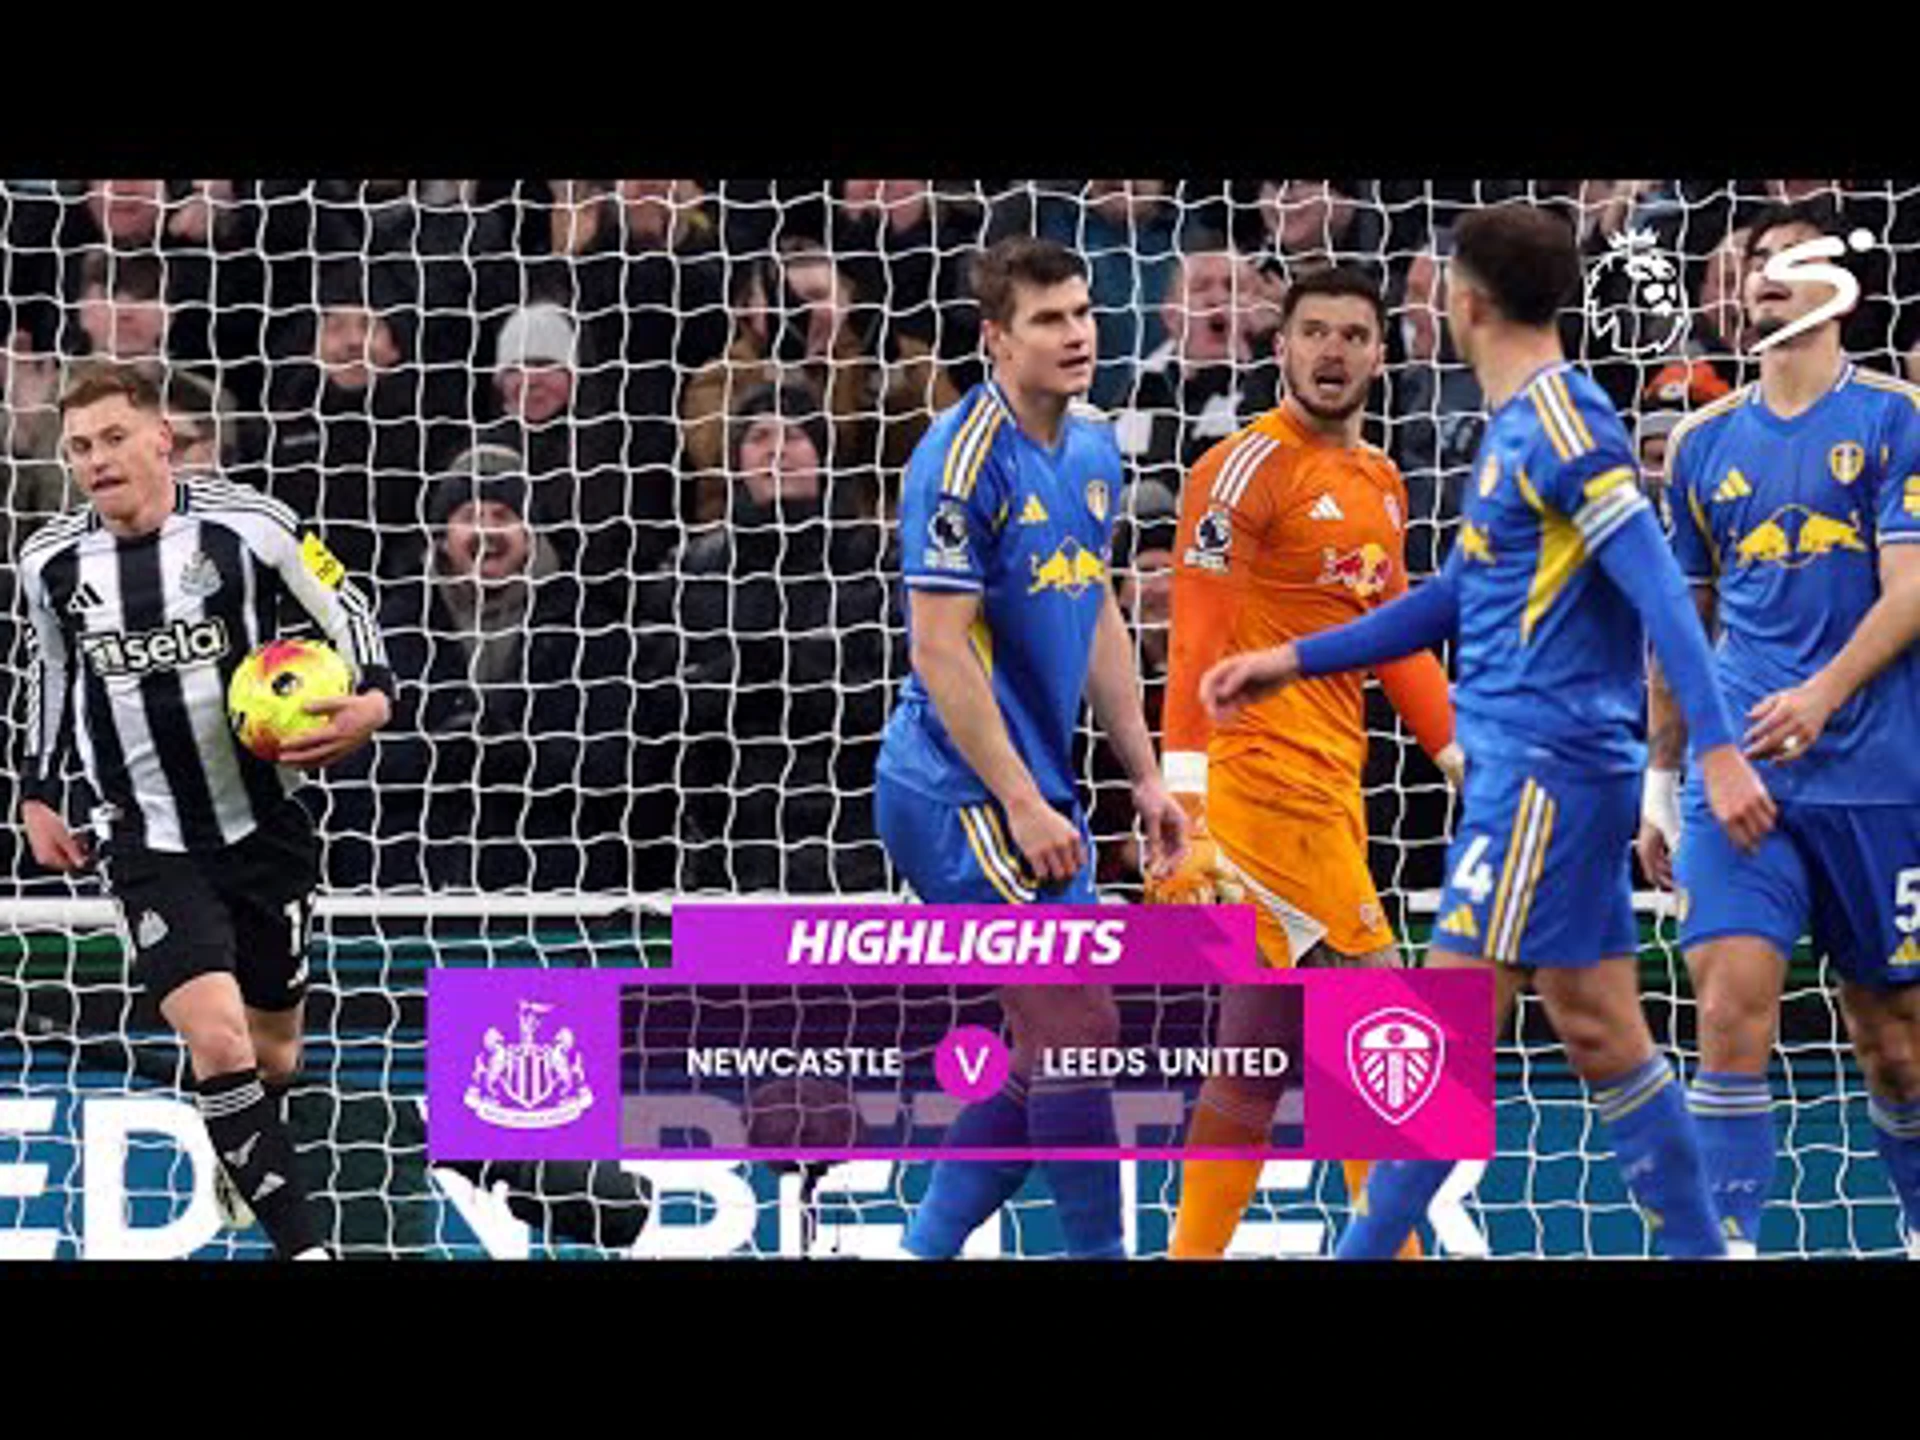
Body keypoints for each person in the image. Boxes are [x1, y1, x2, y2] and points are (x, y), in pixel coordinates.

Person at [1201, 204, 1775, 1259]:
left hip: (1545, 773)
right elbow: (1454, 595)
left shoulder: (1563, 425)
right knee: (1605, 1035)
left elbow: (1659, 586)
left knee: (1432, 1044)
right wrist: (1292, 659)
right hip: (1545, 772)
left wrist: (1719, 749)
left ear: (1464, 302)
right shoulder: (1516, 425)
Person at [16, 359, 394, 1260]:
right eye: (79, 447)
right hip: (144, 835)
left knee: (273, 1056)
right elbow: (49, 675)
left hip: (265, 825)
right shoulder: (50, 560)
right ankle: (306, 1249)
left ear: (163, 439)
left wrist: (374, 700)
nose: (97, 460)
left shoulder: (251, 526)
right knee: (220, 1045)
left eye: (114, 438)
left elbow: (345, 608)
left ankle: (245, 1140)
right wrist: (35, 789)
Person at [875, 236, 1188, 1259]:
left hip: (1034, 787)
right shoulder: (961, 459)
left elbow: (1096, 611)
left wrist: (1146, 775)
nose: (1077, 334)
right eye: (1049, 319)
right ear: (996, 339)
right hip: (955, 788)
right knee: (1080, 1031)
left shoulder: (1095, 446)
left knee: (1045, 1044)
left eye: (1083, 312)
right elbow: (937, 649)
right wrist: (1017, 799)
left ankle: (922, 1248)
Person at [1148, 265, 1461, 1260]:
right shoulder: (1238, 469)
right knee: (1381, 1039)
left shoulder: (1381, 481)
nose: (1333, 352)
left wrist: (1457, 753)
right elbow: (1193, 644)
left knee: (1254, 1060)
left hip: (1330, 793)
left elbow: (1394, 634)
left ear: (1382, 354)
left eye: (1354, 335)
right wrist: (1187, 807)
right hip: (1259, 792)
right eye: (1314, 332)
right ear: (1278, 347)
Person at [1636, 199, 1920, 1257]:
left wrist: (1822, 695)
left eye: (1793, 256)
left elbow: (1913, 588)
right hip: (1744, 782)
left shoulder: (1896, 418)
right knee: (1727, 1016)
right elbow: (1683, 625)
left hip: (1878, 776)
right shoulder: (1700, 441)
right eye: (1755, 256)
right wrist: (1660, 783)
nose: (1764, 272)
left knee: (1895, 1045)